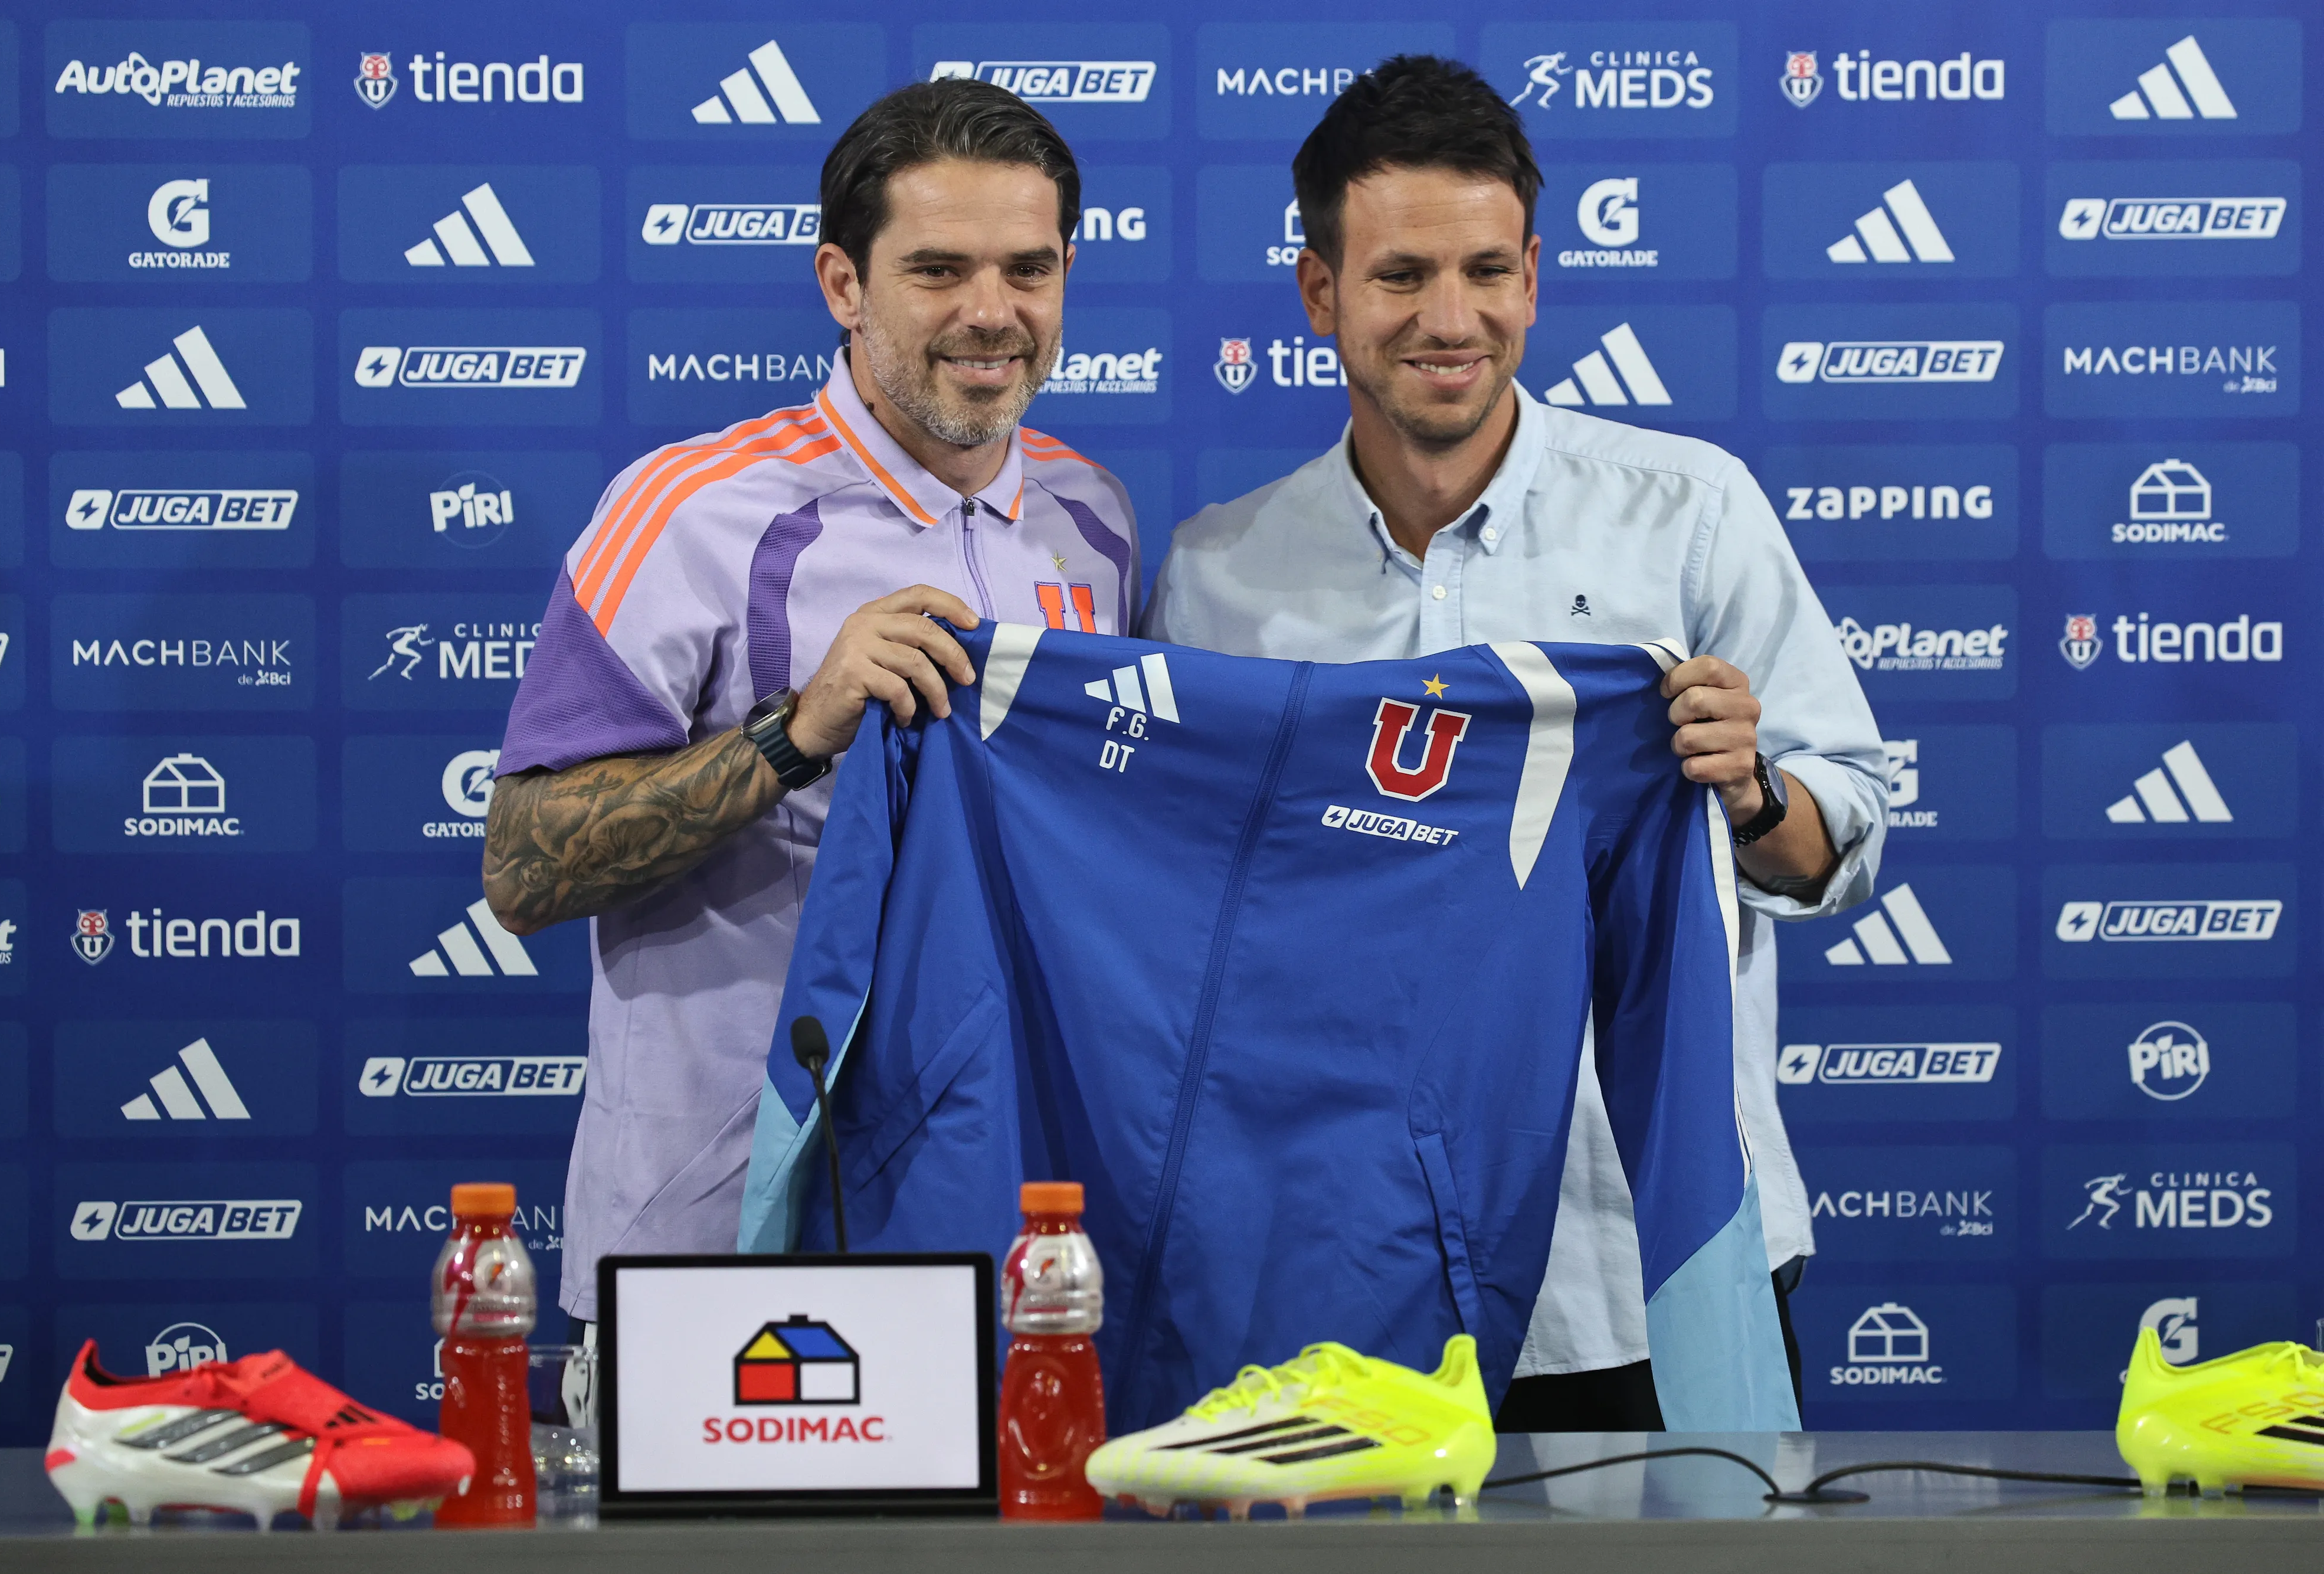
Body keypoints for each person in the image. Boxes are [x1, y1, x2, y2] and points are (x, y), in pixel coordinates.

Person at [1145, 55, 1886, 1429]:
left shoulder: (1689, 513)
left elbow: (1839, 839)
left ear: (1533, 277)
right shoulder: (1215, 577)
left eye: (1486, 271)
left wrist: (1747, 789)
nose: (1450, 318)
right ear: (1319, 292)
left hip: (1650, 1256)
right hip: (1336, 1266)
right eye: (1399, 275)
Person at [482, 79, 1140, 1334]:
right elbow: (521, 866)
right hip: (713, 1231)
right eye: (937, 270)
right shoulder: (688, 509)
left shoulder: (1095, 517)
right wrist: (795, 732)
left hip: (1001, 1211)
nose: (991, 313)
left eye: (1029, 269)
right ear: (843, 283)